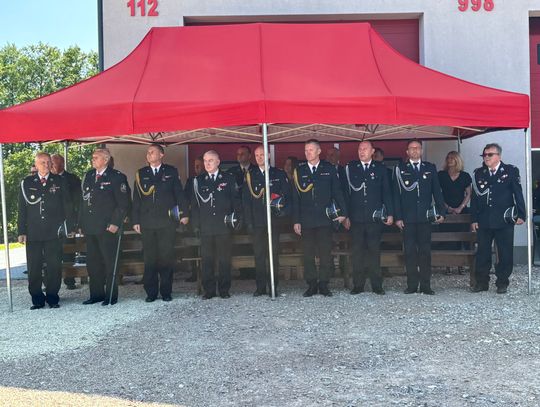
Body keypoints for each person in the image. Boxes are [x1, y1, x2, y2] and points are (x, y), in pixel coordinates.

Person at [132, 144, 188, 303]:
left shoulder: (171, 171)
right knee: (149, 258)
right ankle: (151, 292)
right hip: (147, 222)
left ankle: (166, 291)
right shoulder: (141, 173)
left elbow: (179, 194)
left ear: (161, 154)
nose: (148, 154)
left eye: (152, 152)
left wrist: (184, 214)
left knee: (166, 257)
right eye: (148, 152)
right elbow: (136, 199)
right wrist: (135, 220)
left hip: (166, 222)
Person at [292, 139, 348, 297]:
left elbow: (337, 191)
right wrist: (296, 220)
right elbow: (295, 198)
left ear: (319, 151)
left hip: (325, 218)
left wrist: (343, 213)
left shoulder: (328, 169)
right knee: (308, 254)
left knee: (325, 253)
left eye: (311, 150)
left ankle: (324, 284)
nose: (308, 153)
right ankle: (311, 284)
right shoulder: (299, 171)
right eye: (306, 150)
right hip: (306, 220)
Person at [18, 152, 72, 309]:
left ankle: (53, 297)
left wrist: (68, 227)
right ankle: (37, 299)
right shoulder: (27, 182)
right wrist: (21, 231)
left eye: (48, 162)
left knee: (54, 266)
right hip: (33, 232)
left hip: (53, 231)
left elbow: (67, 205)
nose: (46, 165)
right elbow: (22, 209)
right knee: (34, 267)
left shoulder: (59, 181)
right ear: (36, 165)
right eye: (42, 162)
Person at [470, 143, 525, 294]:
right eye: (484, 155)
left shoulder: (510, 171)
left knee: (505, 252)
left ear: (498, 156)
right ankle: (482, 282)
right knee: (483, 252)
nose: (486, 157)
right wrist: (474, 219)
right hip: (484, 220)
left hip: (504, 219)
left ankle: (502, 282)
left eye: (490, 154)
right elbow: (474, 198)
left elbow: (517, 193)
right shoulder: (478, 173)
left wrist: (521, 214)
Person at [78, 148, 130, 306]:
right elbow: (83, 201)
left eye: (96, 157)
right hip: (90, 226)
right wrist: (81, 223)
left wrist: (115, 223)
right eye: (92, 157)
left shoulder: (117, 177)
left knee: (109, 262)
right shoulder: (89, 175)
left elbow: (123, 203)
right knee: (93, 263)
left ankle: (111, 295)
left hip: (107, 227)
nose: (92, 159)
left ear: (106, 160)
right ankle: (96, 294)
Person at [393, 139, 445, 295]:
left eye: (417, 148)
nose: (415, 150)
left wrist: (441, 212)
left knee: (425, 252)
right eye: (412, 148)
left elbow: (437, 191)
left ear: (421, 151)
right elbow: (396, 195)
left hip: (425, 218)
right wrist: (398, 217)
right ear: (407, 152)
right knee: (409, 252)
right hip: (407, 218)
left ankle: (426, 285)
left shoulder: (430, 168)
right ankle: (411, 285)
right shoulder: (400, 169)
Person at [343, 140, 394, 295]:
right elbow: (345, 194)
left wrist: (390, 213)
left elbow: (387, 192)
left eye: (365, 149)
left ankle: (376, 285)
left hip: (374, 218)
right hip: (356, 218)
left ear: (372, 152)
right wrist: (345, 216)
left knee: (374, 251)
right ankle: (358, 285)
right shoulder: (351, 168)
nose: (362, 151)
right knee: (357, 252)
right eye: (360, 149)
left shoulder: (380, 169)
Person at [190, 150, 242, 299]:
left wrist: (238, 219)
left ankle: (224, 290)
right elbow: (194, 205)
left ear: (218, 162)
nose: (207, 164)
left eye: (210, 160)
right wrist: (196, 225)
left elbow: (236, 201)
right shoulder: (198, 180)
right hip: (206, 227)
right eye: (205, 161)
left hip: (223, 226)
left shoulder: (228, 178)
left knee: (224, 260)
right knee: (207, 260)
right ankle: (209, 290)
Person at [243, 145, 292, 297]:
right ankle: (260, 287)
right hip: (257, 222)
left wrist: (283, 213)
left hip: (274, 221)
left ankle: (273, 286)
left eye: (262, 154)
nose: (259, 158)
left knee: (273, 255)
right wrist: (249, 222)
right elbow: (246, 201)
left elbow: (287, 196)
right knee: (259, 255)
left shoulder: (279, 174)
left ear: (269, 156)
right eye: (257, 155)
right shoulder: (250, 175)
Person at [51, 153, 82, 290]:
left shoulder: (72, 179)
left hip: (67, 221)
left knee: (68, 251)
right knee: (51, 253)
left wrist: (75, 222)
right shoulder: (48, 179)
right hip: (51, 223)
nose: (52, 166)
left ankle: (69, 280)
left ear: (62, 163)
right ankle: (50, 282)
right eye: (51, 163)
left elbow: (78, 201)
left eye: (54, 163)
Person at [183, 156, 204, 282]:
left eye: (199, 165)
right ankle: (194, 273)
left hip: (207, 219)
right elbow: (185, 197)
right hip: (193, 219)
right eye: (195, 166)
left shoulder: (208, 179)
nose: (196, 168)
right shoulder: (191, 181)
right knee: (193, 247)